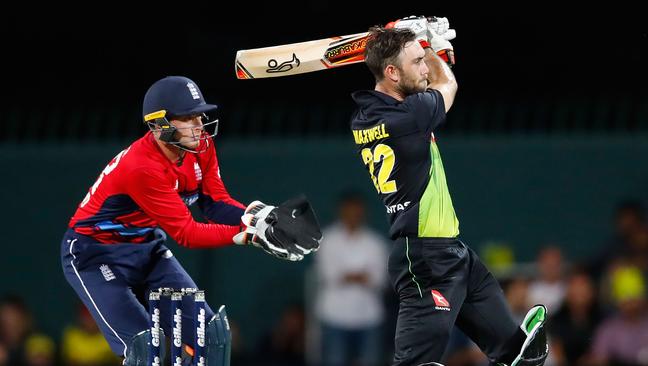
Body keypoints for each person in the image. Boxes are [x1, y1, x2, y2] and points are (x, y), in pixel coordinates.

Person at [60, 75, 319, 366]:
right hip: (95, 254)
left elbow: (215, 203)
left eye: (199, 116)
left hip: (147, 247)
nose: (199, 125)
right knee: (144, 349)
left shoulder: (202, 145)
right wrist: (250, 234)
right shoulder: (141, 167)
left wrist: (260, 217)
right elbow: (187, 233)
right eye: (188, 118)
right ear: (159, 125)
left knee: (209, 337)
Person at [349, 17, 548, 366]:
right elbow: (447, 82)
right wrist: (432, 45)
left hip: (453, 254)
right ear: (393, 73)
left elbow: (422, 80)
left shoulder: (366, 116)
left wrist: (417, 44)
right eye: (416, 62)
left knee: (521, 354)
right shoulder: (411, 115)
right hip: (425, 260)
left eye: (423, 60)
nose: (424, 68)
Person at [314, 191, 389, 366]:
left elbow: (380, 279)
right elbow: (328, 275)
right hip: (334, 317)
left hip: (369, 317)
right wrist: (361, 276)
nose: (353, 215)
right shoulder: (327, 240)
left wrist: (346, 275)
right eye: (349, 210)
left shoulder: (376, 243)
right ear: (341, 211)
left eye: (357, 211)